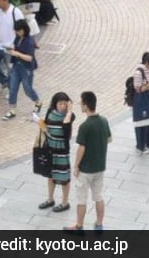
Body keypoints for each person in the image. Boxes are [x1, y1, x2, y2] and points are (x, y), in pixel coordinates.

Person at [65, 91, 111, 233]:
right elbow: (109, 139)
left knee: (81, 200)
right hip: (100, 167)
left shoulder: (85, 126)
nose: (80, 105)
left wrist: (76, 166)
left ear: (86, 105)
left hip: (86, 169)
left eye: (81, 102)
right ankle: (99, 224)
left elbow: (82, 148)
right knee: (98, 197)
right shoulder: (104, 120)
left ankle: (79, 226)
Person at [39, 92, 75, 213]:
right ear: (55, 103)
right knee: (50, 175)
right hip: (50, 149)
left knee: (64, 178)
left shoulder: (70, 116)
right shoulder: (50, 112)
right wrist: (41, 125)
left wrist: (69, 112)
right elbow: (46, 125)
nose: (62, 106)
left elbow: (66, 133)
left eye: (65, 104)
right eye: (60, 104)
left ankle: (65, 202)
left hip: (62, 151)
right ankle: (50, 199)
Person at [3, 19, 42, 121]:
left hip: (26, 69)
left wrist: (17, 53)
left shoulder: (29, 41)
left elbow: (29, 58)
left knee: (27, 89)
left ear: (24, 29)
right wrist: (11, 50)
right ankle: (12, 110)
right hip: (16, 66)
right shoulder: (18, 38)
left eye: (19, 31)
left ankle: (37, 101)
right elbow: (16, 48)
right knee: (13, 88)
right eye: (16, 31)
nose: (17, 33)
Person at [0, 0, 25, 90]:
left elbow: (23, 28)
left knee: (10, 69)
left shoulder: (16, 12)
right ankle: (5, 81)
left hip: (11, 46)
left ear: (6, 0)